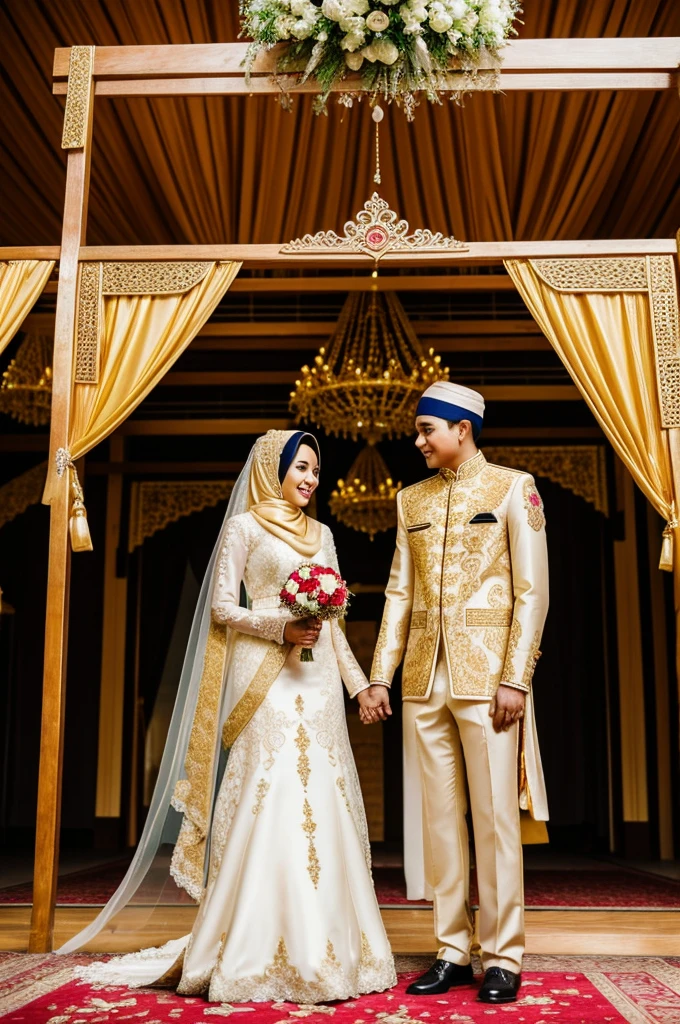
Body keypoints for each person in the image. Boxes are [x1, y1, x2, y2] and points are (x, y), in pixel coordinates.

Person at [66, 429, 397, 1003]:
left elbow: (335, 622)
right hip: (262, 673)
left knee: (322, 793)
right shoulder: (243, 527)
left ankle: (328, 951)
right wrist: (280, 626)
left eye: (316, 470)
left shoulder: (323, 534)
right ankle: (250, 946)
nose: (310, 479)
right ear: (273, 469)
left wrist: (361, 685)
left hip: (316, 679)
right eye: (300, 467)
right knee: (270, 794)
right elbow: (222, 608)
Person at [360, 382, 549, 1005]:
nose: (417, 441)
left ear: (460, 429)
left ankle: (503, 955)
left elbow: (532, 592)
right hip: (422, 679)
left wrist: (515, 676)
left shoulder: (512, 488)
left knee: (496, 821)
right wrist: (381, 674)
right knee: (440, 822)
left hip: (489, 680)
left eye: (425, 430)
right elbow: (397, 593)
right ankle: (450, 949)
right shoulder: (407, 498)